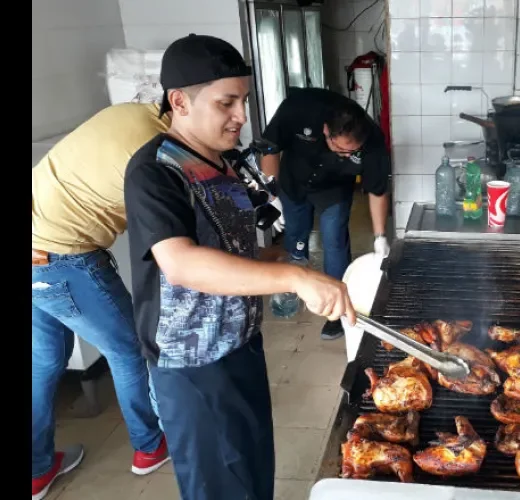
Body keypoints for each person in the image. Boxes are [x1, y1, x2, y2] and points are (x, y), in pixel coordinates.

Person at [123, 34, 356, 500]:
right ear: (179, 102)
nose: (242, 116)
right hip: (193, 368)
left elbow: (234, 247)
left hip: (242, 345)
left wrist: (289, 264)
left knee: (253, 470)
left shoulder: (224, 160)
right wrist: (293, 276)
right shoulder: (155, 170)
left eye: (244, 100)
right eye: (227, 102)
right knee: (218, 485)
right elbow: (182, 264)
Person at [31, 103, 173, 500]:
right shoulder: (157, 151)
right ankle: (149, 447)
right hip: (65, 258)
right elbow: (167, 242)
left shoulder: (130, 111)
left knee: (42, 362)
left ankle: (36, 471)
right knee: (129, 350)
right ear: (181, 105)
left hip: (36, 245)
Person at [260, 86, 391, 340]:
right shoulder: (299, 108)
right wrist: (271, 196)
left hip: (334, 189)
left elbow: (377, 190)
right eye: (340, 149)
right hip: (293, 182)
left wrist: (379, 237)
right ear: (325, 131)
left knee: (334, 241)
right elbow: (270, 148)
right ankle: (293, 291)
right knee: (295, 241)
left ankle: (336, 312)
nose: (346, 155)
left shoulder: (373, 141)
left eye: (351, 152)